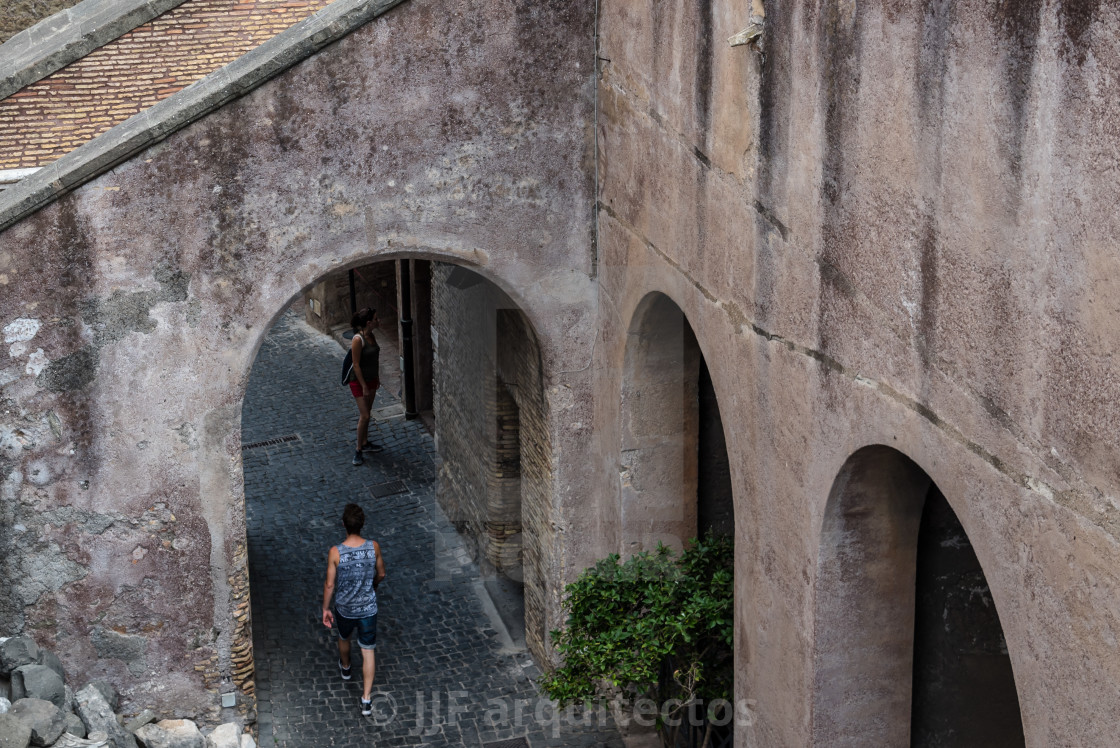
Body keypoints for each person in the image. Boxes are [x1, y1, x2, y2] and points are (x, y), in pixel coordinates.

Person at [322, 503, 386, 716]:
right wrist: (373, 585)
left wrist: (325, 609)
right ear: (362, 524)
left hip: (345, 607)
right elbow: (382, 574)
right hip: (368, 607)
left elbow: (330, 585)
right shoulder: (373, 547)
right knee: (368, 650)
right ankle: (366, 699)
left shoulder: (335, 552)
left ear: (343, 525)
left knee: (343, 636)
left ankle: (347, 668)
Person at [348, 308, 383, 465]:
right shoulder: (358, 339)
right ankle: (358, 450)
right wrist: (364, 386)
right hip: (359, 382)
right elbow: (356, 365)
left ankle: (365, 442)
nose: (378, 321)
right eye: (376, 319)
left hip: (371, 380)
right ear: (369, 323)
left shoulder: (372, 336)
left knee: (368, 412)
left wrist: (376, 378)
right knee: (365, 416)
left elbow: (373, 360)